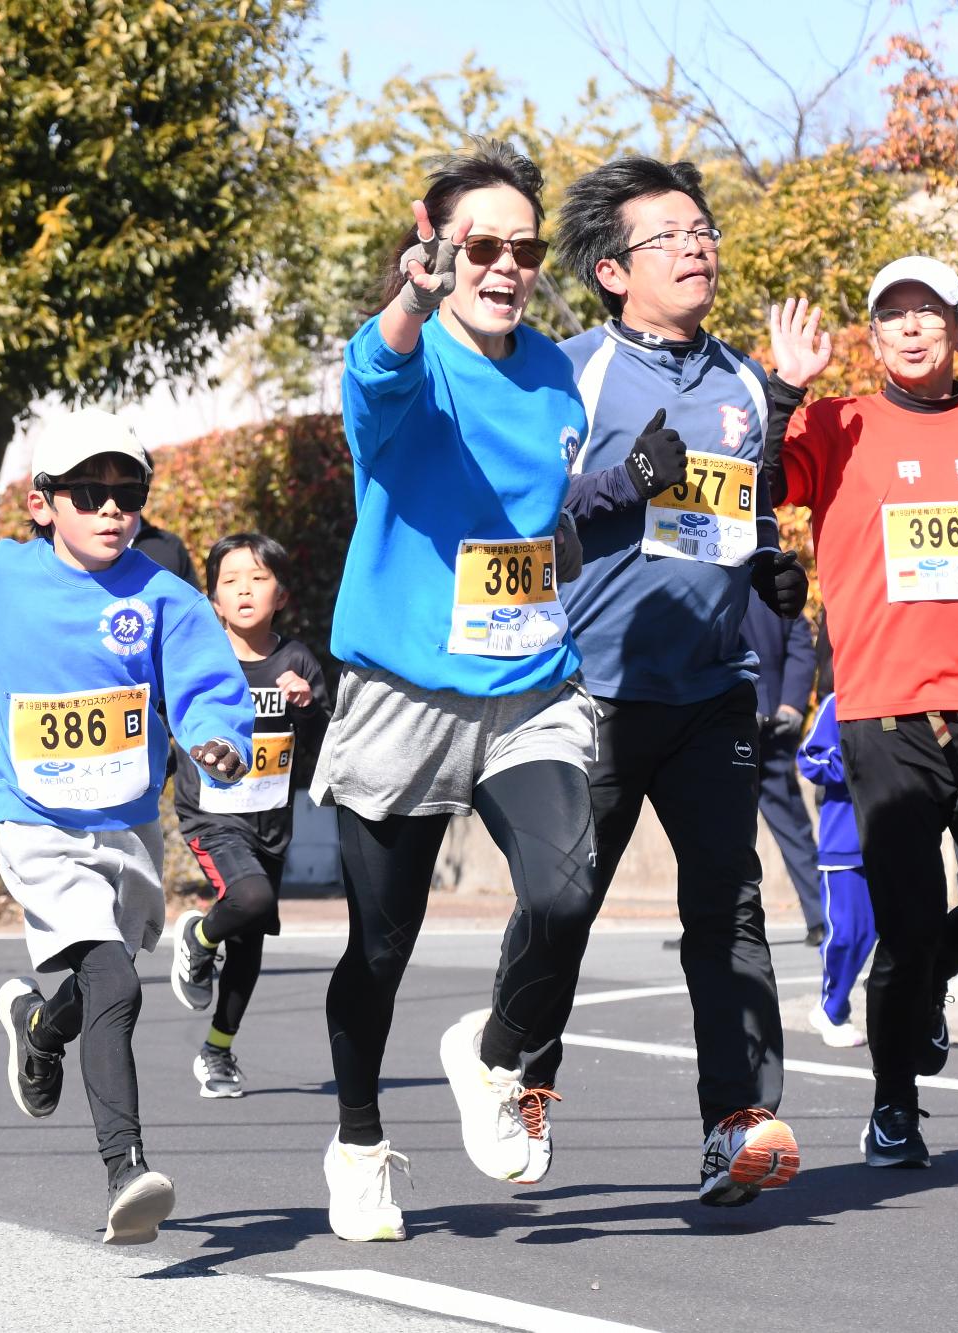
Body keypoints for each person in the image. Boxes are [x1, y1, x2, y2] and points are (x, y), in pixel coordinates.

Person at [0, 408, 253, 1242]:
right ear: (45, 503)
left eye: (130, 493)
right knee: (116, 982)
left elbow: (205, 686)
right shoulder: (4, 578)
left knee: (101, 974)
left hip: (125, 825)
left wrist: (219, 738)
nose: (114, 509)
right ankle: (128, 1172)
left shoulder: (163, 594)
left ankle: (37, 1031)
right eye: (91, 492)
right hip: (36, 821)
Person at [311, 139, 597, 1243]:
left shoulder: (553, 372)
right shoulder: (404, 357)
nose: (504, 265)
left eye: (520, 250)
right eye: (479, 245)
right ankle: (357, 1143)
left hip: (529, 683)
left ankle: (489, 1056)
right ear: (432, 248)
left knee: (565, 893)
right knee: (379, 951)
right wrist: (403, 304)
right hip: (404, 694)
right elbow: (376, 385)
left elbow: (541, 528)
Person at [512, 155, 805, 1207]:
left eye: (703, 231)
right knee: (563, 905)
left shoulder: (739, 384)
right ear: (607, 269)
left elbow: (742, 514)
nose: (695, 248)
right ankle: (523, 1079)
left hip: (713, 688)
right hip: (588, 687)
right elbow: (526, 522)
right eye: (668, 237)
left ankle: (735, 1121)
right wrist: (621, 483)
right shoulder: (565, 374)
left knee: (726, 910)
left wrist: (770, 565)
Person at [772, 256, 958, 1167]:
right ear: (872, 338)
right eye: (892, 316)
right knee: (907, 923)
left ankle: (922, 987)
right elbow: (753, 481)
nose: (911, 328)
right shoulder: (836, 425)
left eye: (929, 314)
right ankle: (894, 1103)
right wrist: (783, 386)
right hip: (882, 713)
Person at [168, 532, 331, 1098]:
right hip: (212, 815)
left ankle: (218, 1051)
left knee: (252, 945)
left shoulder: (297, 661)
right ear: (213, 600)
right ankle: (199, 937)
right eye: (230, 581)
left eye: (258, 579)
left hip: (270, 821)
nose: (243, 590)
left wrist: (307, 702)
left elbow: (322, 737)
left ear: (281, 596)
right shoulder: (199, 657)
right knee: (252, 899)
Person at [795, 689, 876, 1047]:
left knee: (905, 933)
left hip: (901, 837)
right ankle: (831, 1010)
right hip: (846, 843)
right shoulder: (839, 701)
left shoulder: (914, 697)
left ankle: (908, 1013)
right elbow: (809, 758)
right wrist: (858, 759)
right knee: (848, 933)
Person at [747, 603, 827, 945]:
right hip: (769, 719)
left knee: (709, 830)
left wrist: (791, 704)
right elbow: (800, 644)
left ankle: (711, 919)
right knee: (792, 825)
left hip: (747, 723)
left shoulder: (703, 569)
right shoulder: (769, 577)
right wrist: (791, 704)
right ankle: (822, 916)